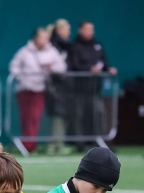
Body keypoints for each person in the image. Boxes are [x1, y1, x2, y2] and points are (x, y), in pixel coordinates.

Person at [9, 28, 67, 153]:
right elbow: (14, 66)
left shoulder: (51, 51)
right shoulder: (24, 52)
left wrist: (51, 68)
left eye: (46, 38)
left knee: (35, 117)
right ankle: (27, 145)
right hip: (25, 90)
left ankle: (31, 144)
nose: (45, 40)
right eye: (42, 37)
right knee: (26, 117)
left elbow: (62, 66)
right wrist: (23, 78)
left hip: (40, 90)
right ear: (35, 38)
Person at [67, 21, 117, 151]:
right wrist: (89, 69)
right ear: (80, 30)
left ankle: (98, 142)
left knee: (98, 115)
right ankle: (80, 144)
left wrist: (109, 69)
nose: (90, 32)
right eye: (87, 29)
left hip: (95, 90)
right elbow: (73, 66)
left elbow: (104, 62)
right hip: (78, 90)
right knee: (79, 116)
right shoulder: (74, 46)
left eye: (91, 29)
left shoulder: (98, 45)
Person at [47, 19, 73, 154]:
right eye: (67, 29)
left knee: (63, 114)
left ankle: (59, 143)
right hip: (57, 86)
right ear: (59, 30)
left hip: (66, 86)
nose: (69, 32)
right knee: (58, 114)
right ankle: (54, 145)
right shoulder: (53, 46)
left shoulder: (65, 45)